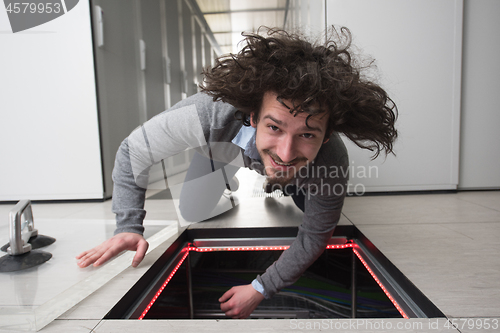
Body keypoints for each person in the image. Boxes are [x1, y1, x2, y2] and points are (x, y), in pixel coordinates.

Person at [76, 27, 398, 319]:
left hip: (301, 174)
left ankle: (280, 185)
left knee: (304, 204)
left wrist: (260, 287)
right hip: (225, 151)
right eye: (275, 126)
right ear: (254, 116)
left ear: (326, 136)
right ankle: (229, 185)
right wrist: (128, 224)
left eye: (307, 134)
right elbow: (133, 151)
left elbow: (314, 236)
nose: (286, 152)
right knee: (192, 210)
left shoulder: (331, 158)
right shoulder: (207, 114)